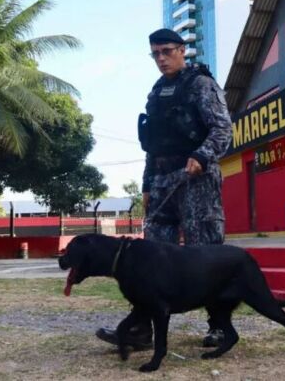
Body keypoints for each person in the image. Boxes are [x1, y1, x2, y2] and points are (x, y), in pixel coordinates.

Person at [95, 28, 233, 350]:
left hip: (196, 178)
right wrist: (146, 184)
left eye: (167, 51)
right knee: (150, 259)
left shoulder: (201, 85)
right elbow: (153, 145)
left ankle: (220, 328)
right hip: (162, 181)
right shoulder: (156, 93)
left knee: (207, 255)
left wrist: (202, 155)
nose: (161, 59)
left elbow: (223, 129)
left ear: (182, 50)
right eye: (155, 54)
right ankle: (141, 330)